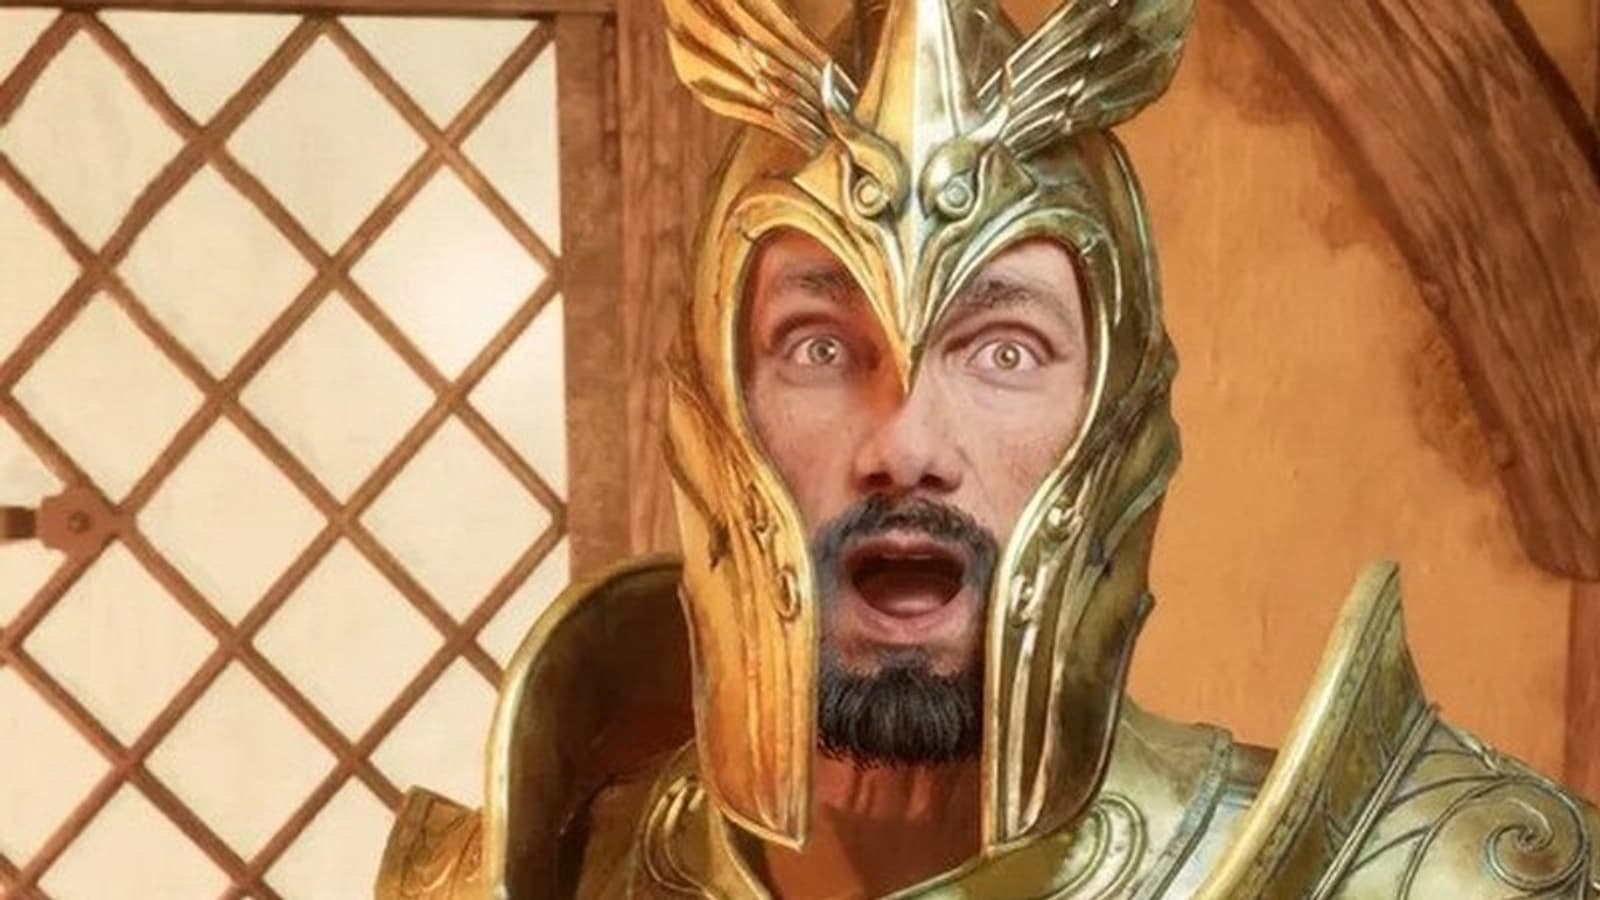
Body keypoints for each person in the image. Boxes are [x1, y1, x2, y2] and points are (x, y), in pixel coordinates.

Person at [375, 0, 1600, 896]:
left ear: (1115, 417)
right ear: (714, 403)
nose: (906, 444)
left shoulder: (1421, 875)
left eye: (1003, 350)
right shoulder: (533, 874)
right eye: (819, 346)